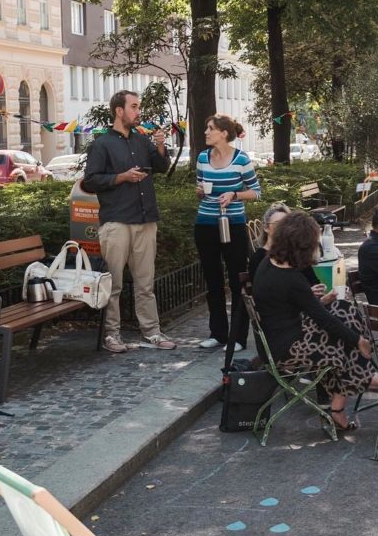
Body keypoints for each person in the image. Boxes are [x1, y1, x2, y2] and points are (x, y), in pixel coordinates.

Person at [252, 211, 375, 434]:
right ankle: (363, 379)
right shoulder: (292, 278)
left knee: (343, 309)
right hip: (286, 349)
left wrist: (324, 300)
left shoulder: (268, 264)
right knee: (344, 342)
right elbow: (322, 319)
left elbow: (299, 306)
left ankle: (343, 401)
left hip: (279, 337)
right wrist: (358, 340)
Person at [82, 89, 175, 353]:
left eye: (138, 106)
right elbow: (90, 180)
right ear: (119, 111)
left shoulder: (141, 140)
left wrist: (159, 145)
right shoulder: (102, 144)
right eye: (134, 107)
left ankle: (152, 332)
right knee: (113, 284)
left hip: (146, 219)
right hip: (116, 221)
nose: (138, 111)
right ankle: (112, 335)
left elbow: (160, 166)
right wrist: (122, 177)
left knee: (146, 283)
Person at [194, 114, 261, 352]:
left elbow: (255, 192)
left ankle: (238, 337)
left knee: (237, 281)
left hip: (233, 224)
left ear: (223, 133)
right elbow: (199, 186)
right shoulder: (203, 157)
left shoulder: (241, 159)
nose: (206, 132)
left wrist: (234, 195)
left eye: (210, 128)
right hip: (205, 224)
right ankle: (218, 333)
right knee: (212, 281)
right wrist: (200, 192)